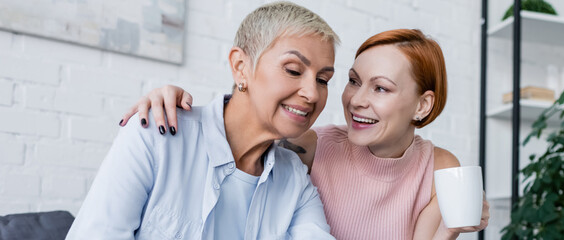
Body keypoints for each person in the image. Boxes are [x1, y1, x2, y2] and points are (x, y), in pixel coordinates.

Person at [121, 29, 489, 239]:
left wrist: (451, 230)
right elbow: (239, 132)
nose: (356, 101)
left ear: (423, 106)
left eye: (380, 89)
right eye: (353, 82)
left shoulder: (441, 168)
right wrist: (175, 102)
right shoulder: (312, 146)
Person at [67, 2, 338, 239]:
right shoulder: (155, 136)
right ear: (240, 67)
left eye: (322, 80)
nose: (312, 93)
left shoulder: (294, 179)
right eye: (293, 70)